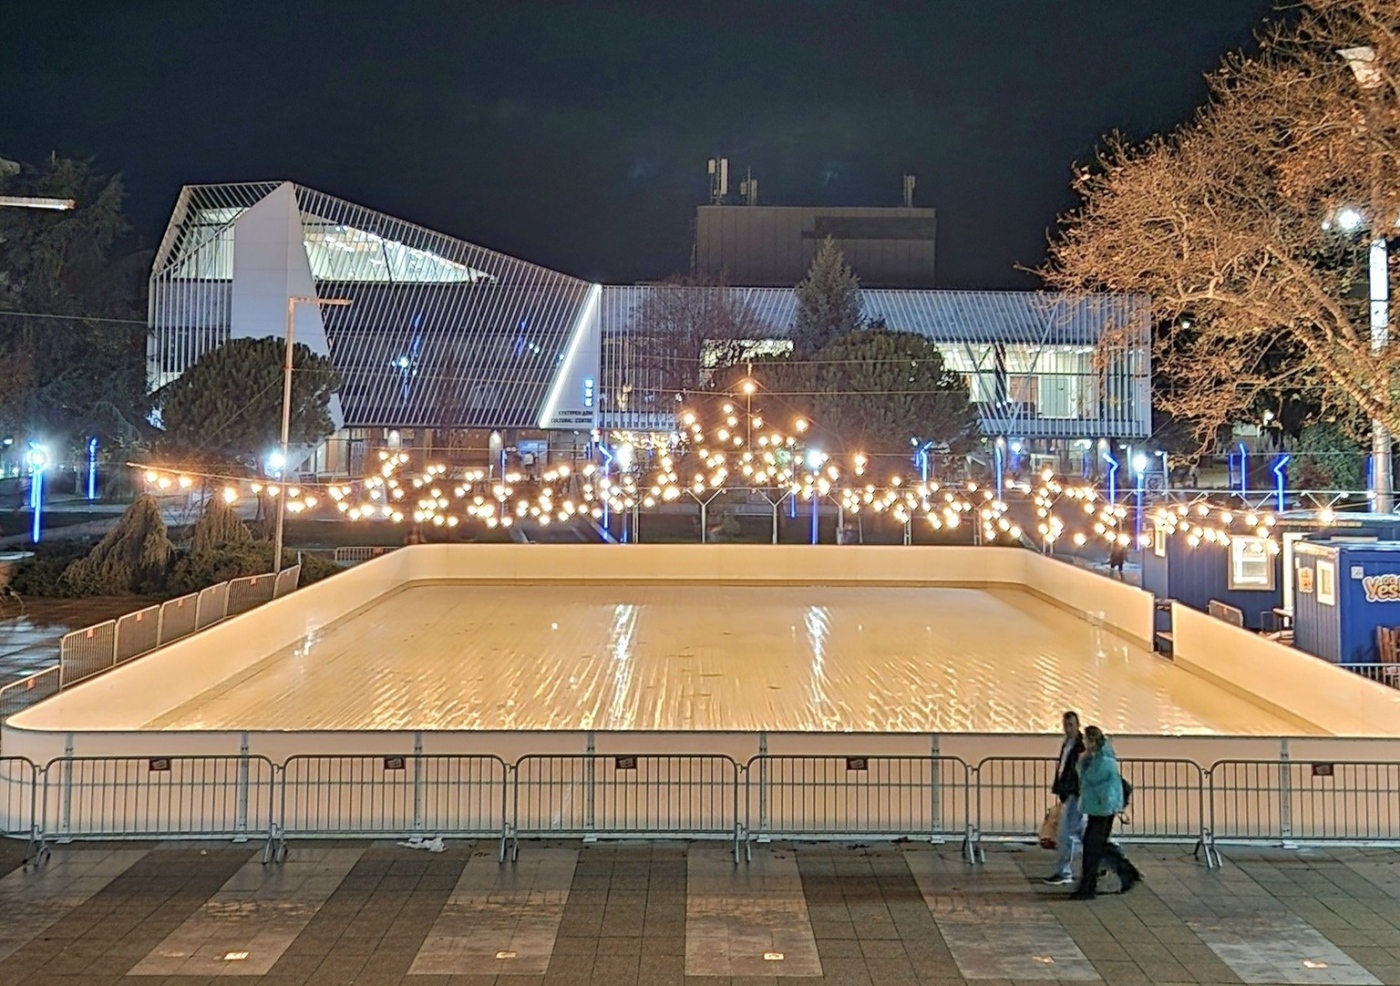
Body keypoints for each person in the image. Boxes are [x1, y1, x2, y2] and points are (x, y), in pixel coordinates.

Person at [1071, 726, 1140, 899]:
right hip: (1098, 808)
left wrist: (1082, 760)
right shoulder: (1098, 758)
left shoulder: (1102, 761)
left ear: (1092, 741)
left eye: (1086, 740)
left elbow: (1089, 778)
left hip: (1102, 809)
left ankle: (1089, 887)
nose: (1083, 743)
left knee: (1092, 848)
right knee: (1097, 846)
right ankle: (1124, 873)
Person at [1042, 711, 1085, 886]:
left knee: (1067, 832)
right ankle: (1102, 862)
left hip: (1075, 794)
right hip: (1071, 793)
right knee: (1080, 832)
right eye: (1066, 725)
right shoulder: (1068, 743)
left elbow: (1075, 771)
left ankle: (1064, 871)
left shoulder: (1080, 745)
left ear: (1077, 725)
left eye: (1070, 725)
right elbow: (1063, 768)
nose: (1068, 729)